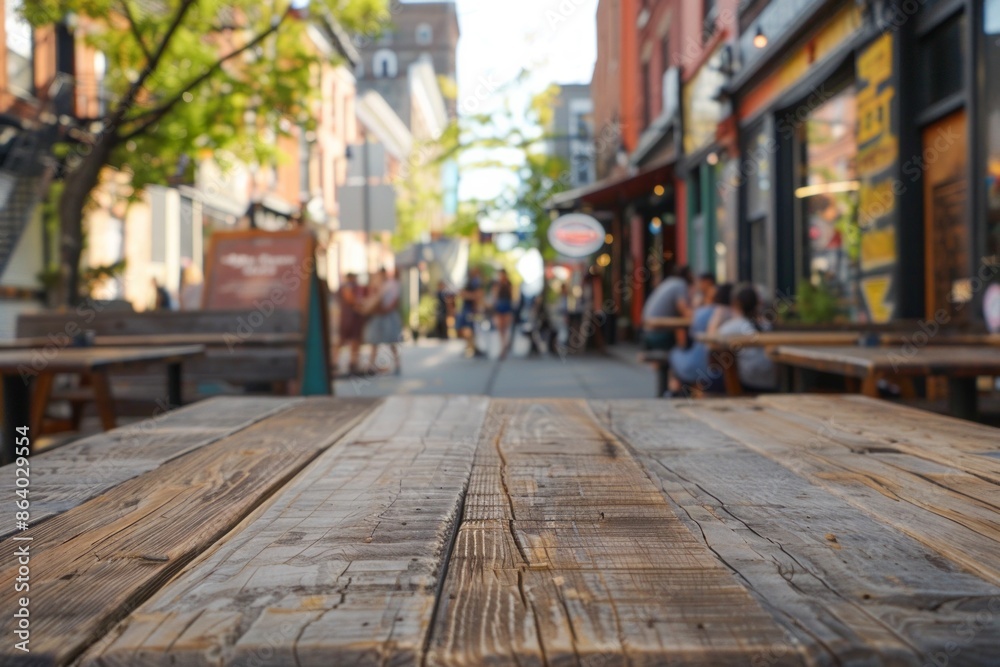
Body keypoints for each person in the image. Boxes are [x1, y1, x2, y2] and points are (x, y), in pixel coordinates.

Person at [667, 283, 733, 396]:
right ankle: (679, 390)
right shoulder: (733, 314)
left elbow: (692, 335)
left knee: (674, 353)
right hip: (721, 369)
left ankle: (674, 390)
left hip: (701, 366)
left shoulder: (702, 312)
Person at [716, 283, 778, 392]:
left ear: (737, 304)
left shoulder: (733, 326)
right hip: (771, 380)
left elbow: (714, 340)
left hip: (749, 382)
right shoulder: (766, 324)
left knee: (718, 367)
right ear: (757, 304)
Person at [641, 265, 693, 350]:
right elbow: (685, 311)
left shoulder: (669, 282)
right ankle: (682, 361)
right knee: (688, 341)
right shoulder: (680, 284)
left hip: (646, 332)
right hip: (657, 335)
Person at [362, 268, 402, 374]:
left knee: (392, 342)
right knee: (374, 342)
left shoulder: (392, 285)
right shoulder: (376, 285)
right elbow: (373, 299)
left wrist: (386, 310)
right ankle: (371, 365)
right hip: (378, 316)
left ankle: (397, 364)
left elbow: (395, 301)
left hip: (387, 316)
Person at [336, 273, 366, 374]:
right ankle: (335, 362)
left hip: (353, 318)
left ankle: (353, 362)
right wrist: (360, 304)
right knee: (343, 340)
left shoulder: (353, 286)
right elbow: (350, 299)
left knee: (354, 341)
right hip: (349, 318)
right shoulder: (347, 286)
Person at [458, 268, 486, 358]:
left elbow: (479, 295)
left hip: (473, 309)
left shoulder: (475, 282)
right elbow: (462, 294)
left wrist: (468, 295)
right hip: (469, 309)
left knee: (472, 328)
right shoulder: (470, 282)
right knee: (468, 328)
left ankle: (473, 347)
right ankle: (471, 347)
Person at [492, 269, 515, 359]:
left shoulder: (509, 284)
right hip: (500, 306)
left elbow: (513, 295)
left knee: (505, 328)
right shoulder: (497, 284)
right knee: (500, 328)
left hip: (507, 305)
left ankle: (505, 345)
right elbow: (495, 295)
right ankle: (503, 345)